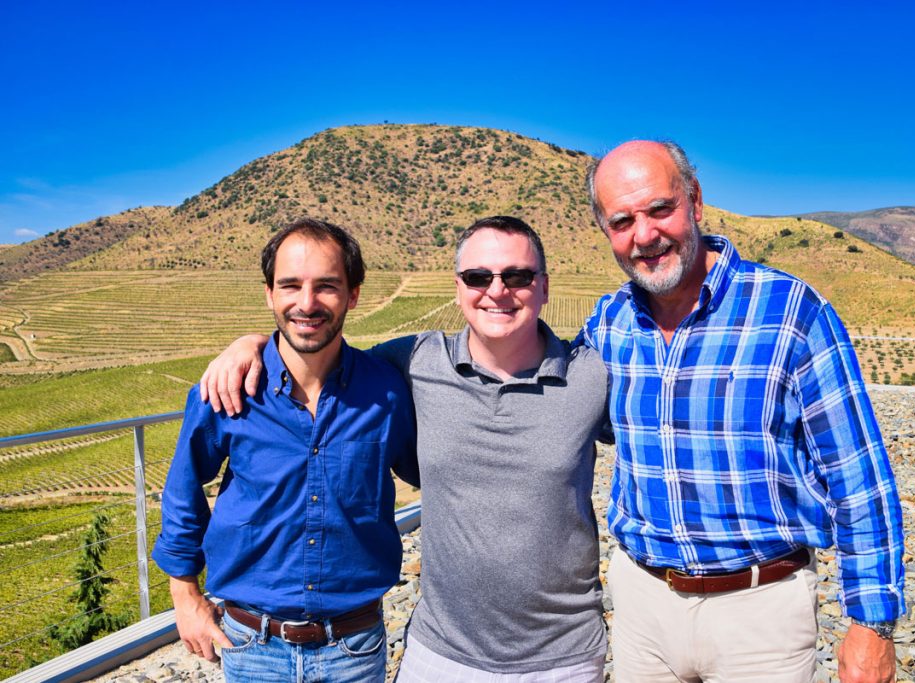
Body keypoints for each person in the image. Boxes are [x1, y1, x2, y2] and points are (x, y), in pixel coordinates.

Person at [201, 217, 612, 681]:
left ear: (543, 288)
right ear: (459, 288)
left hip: (564, 658)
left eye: (517, 276)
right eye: (479, 277)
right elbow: (318, 351)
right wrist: (253, 344)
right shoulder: (415, 360)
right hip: (440, 654)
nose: (497, 290)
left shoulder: (592, 377)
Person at [579, 140, 904, 683]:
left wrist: (872, 624)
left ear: (695, 200)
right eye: (622, 220)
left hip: (761, 613)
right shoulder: (608, 324)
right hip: (641, 607)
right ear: (606, 231)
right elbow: (555, 409)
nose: (645, 235)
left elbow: (858, 474)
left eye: (661, 209)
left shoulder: (791, 311)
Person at [152, 218, 417, 682]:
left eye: (327, 286)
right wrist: (185, 597)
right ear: (269, 294)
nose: (307, 303)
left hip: (354, 648)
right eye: (290, 285)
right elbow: (183, 488)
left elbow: (438, 474)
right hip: (251, 647)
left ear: (353, 295)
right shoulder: (228, 389)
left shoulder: (388, 393)